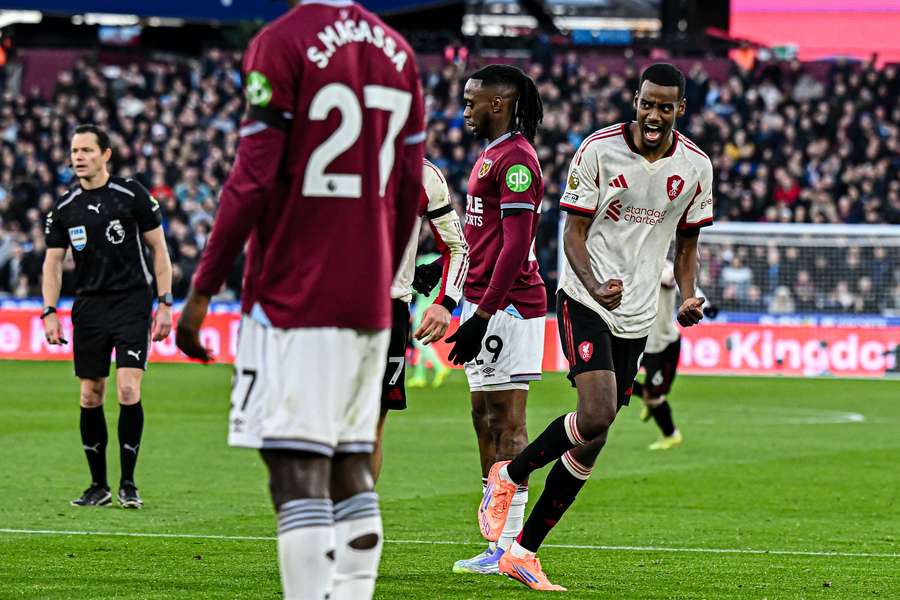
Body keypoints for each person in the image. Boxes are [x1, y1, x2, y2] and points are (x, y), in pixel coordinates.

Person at [174, 2, 425, 599]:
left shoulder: (281, 42)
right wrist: (378, 273)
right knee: (350, 463)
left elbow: (251, 180)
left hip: (296, 293)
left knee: (295, 466)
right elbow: (410, 187)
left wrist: (203, 289)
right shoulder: (399, 53)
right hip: (371, 296)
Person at [478, 63, 714, 590]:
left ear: (681, 110)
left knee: (594, 438)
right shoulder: (598, 150)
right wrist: (594, 282)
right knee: (598, 411)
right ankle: (509, 476)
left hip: (638, 314)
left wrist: (690, 293)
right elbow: (573, 233)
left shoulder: (696, 166)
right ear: (636, 100)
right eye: (647, 103)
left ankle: (523, 551)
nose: (654, 115)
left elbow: (688, 243)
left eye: (665, 107)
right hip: (585, 297)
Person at [446, 64, 546, 576]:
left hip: (508, 306)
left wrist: (483, 313)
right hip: (481, 301)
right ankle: (495, 543)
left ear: (499, 104)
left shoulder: (517, 161)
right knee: (483, 419)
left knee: (508, 422)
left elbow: (516, 245)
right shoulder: (490, 155)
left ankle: (512, 546)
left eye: (472, 102)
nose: (465, 111)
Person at [42, 124, 173, 509]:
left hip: (132, 302)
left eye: (86, 150)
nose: (78, 157)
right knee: (89, 395)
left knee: (129, 389)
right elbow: (52, 264)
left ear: (105, 154)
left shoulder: (131, 194)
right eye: (74, 150)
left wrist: (165, 302)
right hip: (89, 306)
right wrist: (49, 311)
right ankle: (98, 485)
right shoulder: (64, 209)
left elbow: (159, 250)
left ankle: (128, 483)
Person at [373, 159, 468, 481]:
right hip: (327, 310)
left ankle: (352, 522)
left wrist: (446, 303)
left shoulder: (423, 174)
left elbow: (458, 247)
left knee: (369, 429)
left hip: (389, 311)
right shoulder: (328, 156)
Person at [631, 260, 717, 450]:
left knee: (655, 397)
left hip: (662, 345)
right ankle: (649, 398)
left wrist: (706, 305)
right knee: (616, 381)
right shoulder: (630, 263)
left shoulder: (665, 269)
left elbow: (681, 281)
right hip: (637, 339)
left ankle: (671, 434)